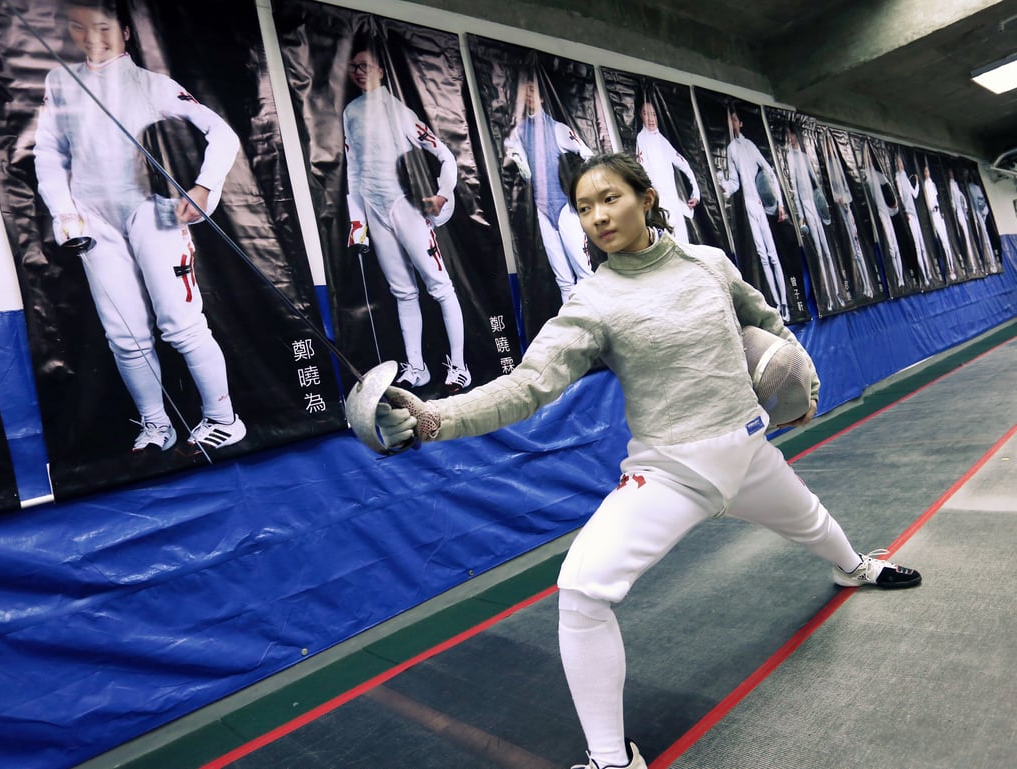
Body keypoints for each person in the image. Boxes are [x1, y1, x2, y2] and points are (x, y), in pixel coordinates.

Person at [375, 153, 922, 769]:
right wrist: (434, 418)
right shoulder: (595, 302)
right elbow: (529, 384)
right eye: (584, 208)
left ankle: (855, 569)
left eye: (610, 199)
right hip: (673, 473)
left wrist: (806, 387)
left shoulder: (708, 263)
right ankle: (612, 759)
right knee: (582, 590)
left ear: (648, 197)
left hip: (748, 448)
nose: (597, 216)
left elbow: (765, 320)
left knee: (812, 521)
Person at [34, 0, 247, 454]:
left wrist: (205, 187)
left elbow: (222, 133)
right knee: (124, 336)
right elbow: (49, 153)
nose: (91, 37)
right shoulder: (60, 82)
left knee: (181, 326)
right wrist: (65, 212)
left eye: (103, 27)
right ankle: (157, 426)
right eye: (79, 27)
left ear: (126, 32)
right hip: (94, 219)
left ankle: (224, 420)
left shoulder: (152, 85)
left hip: (153, 212)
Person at [343, 42, 470, 392]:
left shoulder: (398, 112)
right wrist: (359, 223)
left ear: (382, 70)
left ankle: (459, 367)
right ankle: (417, 367)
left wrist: (442, 195)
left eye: (366, 64)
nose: (359, 70)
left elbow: (445, 156)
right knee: (403, 292)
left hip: (407, 207)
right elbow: (353, 172)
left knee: (440, 288)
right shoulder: (351, 112)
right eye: (354, 65)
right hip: (375, 209)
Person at [503, 77, 595, 303]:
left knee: (584, 275)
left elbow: (589, 155)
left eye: (533, 91)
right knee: (563, 280)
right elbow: (516, 158)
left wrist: (581, 192)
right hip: (542, 210)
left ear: (542, 97)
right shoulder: (520, 131)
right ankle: (574, 333)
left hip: (565, 208)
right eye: (525, 92)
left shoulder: (558, 129)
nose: (528, 95)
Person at [720, 107, 791, 321]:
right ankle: (778, 306)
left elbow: (768, 170)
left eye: (734, 119)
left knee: (773, 256)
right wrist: (723, 186)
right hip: (749, 204)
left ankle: (786, 303)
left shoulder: (749, 145)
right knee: (763, 256)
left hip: (761, 203)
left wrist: (778, 203)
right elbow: (734, 182)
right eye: (729, 121)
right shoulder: (731, 149)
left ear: (740, 123)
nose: (732, 123)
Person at [784, 125, 845, 311]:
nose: (790, 138)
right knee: (819, 252)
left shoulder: (803, 157)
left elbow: (816, 183)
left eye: (791, 134)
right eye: (787, 135)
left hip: (816, 205)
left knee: (827, 251)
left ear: (795, 135)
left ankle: (838, 294)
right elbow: (794, 188)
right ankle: (828, 297)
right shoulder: (789, 158)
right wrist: (802, 216)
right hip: (806, 207)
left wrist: (823, 205)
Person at [635, 99, 699, 245]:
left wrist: (696, 194)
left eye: (653, 114)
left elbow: (685, 165)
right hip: (661, 207)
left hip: (675, 205)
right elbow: (643, 173)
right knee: (671, 247)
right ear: (641, 116)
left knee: (685, 247)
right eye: (646, 114)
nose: (651, 119)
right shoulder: (641, 139)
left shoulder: (663, 141)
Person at [822, 134, 875, 300]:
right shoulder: (829, 168)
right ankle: (865, 287)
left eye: (831, 147)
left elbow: (846, 193)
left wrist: (844, 202)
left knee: (858, 252)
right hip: (843, 214)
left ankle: (869, 287)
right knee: (855, 253)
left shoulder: (837, 166)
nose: (830, 151)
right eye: (828, 148)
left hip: (848, 213)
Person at [862, 144, 906, 292]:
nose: (868, 159)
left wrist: (894, 205)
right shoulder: (866, 176)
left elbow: (889, 189)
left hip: (887, 212)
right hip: (880, 214)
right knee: (891, 248)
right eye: (866, 156)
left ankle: (901, 278)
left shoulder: (878, 175)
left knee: (896, 247)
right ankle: (897, 278)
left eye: (869, 156)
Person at [894, 155, 937, 287]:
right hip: (910, 216)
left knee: (923, 245)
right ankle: (924, 277)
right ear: (896, 164)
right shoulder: (897, 176)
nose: (900, 164)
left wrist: (917, 182)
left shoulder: (905, 175)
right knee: (917, 248)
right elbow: (901, 195)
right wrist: (906, 211)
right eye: (898, 162)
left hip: (916, 215)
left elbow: (915, 194)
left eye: (901, 161)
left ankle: (929, 274)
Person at [921, 164, 959, 281]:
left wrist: (940, 210)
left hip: (938, 214)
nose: (927, 173)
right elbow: (929, 201)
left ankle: (953, 267)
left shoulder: (932, 184)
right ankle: (949, 269)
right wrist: (933, 209)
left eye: (928, 171)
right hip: (933, 215)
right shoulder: (925, 185)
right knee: (943, 241)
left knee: (946, 241)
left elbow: (937, 198)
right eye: (925, 171)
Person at [966, 170, 1001, 272]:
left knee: (985, 238)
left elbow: (981, 202)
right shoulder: (968, 188)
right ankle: (987, 262)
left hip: (979, 214)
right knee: (982, 239)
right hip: (975, 215)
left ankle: (992, 262)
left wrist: (982, 214)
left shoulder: (975, 188)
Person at [947, 168, 979, 274]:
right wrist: (956, 210)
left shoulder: (955, 184)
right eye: (949, 173)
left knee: (968, 238)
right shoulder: (951, 185)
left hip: (962, 212)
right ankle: (971, 265)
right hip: (959, 213)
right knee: (965, 237)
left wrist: (964, 207)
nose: (951, 174)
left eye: (952, 172)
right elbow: (953, 198)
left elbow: (961, 196)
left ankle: (974, 264)